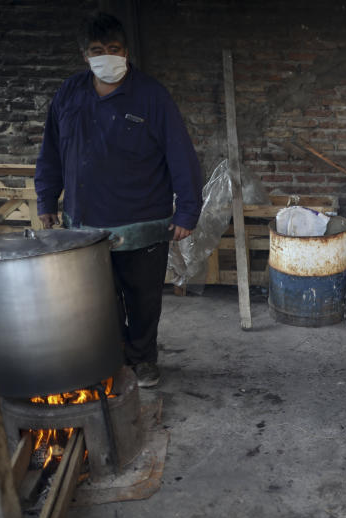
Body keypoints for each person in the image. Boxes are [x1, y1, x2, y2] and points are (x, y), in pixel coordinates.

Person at [35, 11, 203, 388]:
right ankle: (115, 358)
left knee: (143, 300)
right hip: (85, 225)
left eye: (114, 49)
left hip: (142, 224)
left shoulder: (151, 96)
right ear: (85, 55)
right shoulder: (69, 95)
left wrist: (188, 211)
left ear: (125, 52)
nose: (107, 57)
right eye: (98, 50)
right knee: (98, 303)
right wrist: (47, 199)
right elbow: (50, 153)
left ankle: (143, 359)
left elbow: (181, 155)